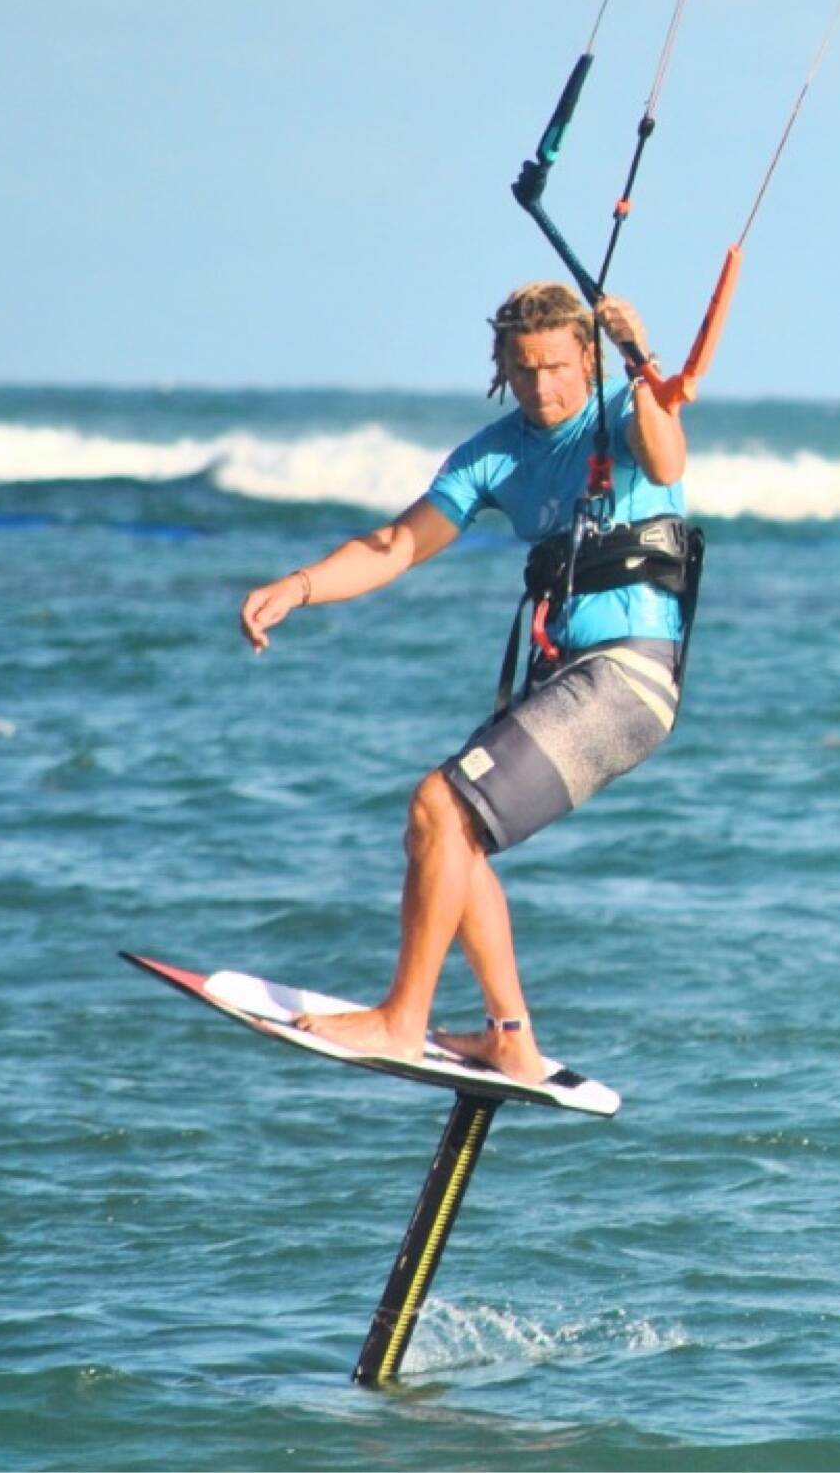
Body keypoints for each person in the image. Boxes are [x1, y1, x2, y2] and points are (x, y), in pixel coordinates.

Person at [236, 282, 689, 1084]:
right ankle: (509, 1035)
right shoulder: (494, 453)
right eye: (523, 371)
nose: (542, 387)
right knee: (448, 832)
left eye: (556, 366)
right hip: (569, 677)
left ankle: (401, 1020)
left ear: (585, 358)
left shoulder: (620, 411)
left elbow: (666, 457)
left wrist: (639, 358)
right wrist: (301, 585)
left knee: (441, 805)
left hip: (628, 676)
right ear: (501, 371)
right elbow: (396, 543)